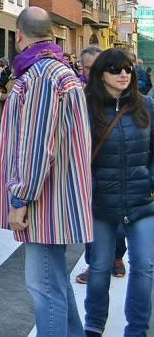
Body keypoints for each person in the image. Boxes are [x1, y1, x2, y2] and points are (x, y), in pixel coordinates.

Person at [0, 7, 91, 336]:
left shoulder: (40, 76)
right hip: (58, 195)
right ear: (52, 34)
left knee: (44, 287)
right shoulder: (60, 71)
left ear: (18, 36)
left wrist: (20, 198)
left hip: (44, 203)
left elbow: (36, 145)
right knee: (56, 282)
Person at [82, 49, 154, 336]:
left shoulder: (146, 106)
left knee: (145, 266)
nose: (123, 74)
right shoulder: (88, 107)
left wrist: (150, 181)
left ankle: (136, 330)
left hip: (141, 201)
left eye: (127, 69)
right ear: (101, 75)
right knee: (99, 268)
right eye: (114, 69)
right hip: (101, 202)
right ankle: (93, 327)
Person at [74, 44, 127, 284]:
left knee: (114, 219)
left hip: (116, 167)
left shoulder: (122, 97)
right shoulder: (80, 96)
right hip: (89, 167)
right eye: (87, 68)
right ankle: (94, 263)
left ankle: (117, 257)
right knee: (90, 218)